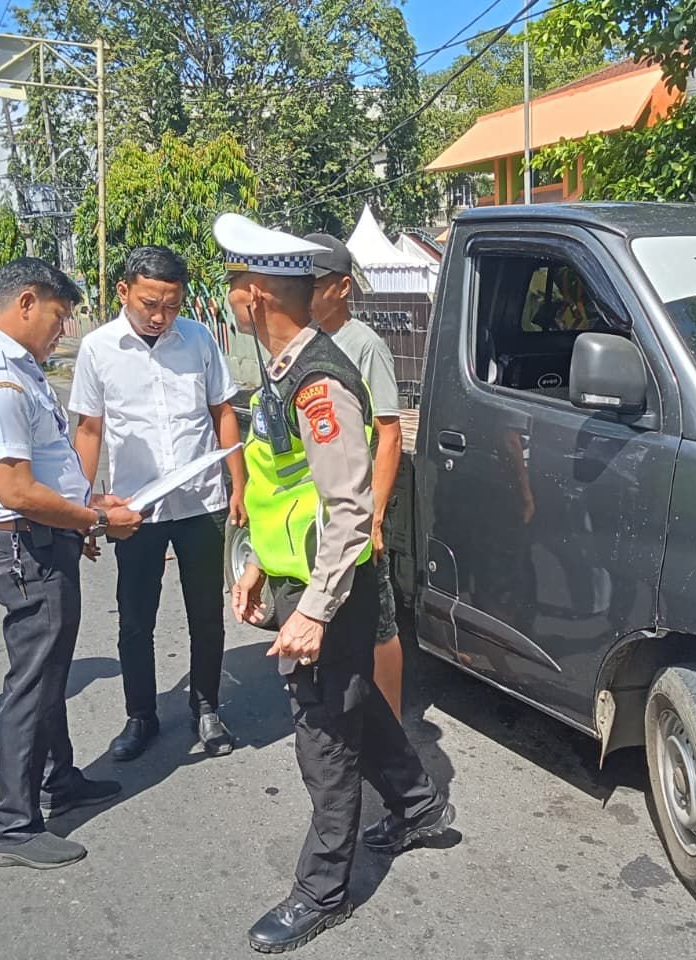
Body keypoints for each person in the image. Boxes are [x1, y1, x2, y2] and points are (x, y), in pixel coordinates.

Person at [216, 213, 454, 953]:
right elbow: (286, 491)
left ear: (256, 295)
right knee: (354, 707)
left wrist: (314, 612)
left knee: (324, 739)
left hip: (331, 589)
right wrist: (259, 561)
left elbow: (350, 511)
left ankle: (322, 892)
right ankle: (418, 809)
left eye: (232, 284)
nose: (228, 296)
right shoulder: (284, 372)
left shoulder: (318, 382)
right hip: (301, 577)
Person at [0, 258, 142, 870]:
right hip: (27, 542)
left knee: (50, 668)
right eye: (59, 317)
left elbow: (48, 467)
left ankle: (60, 776)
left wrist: (85, 505)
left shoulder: (16, 367)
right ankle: (14, 824)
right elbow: (15, 489)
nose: (64, 331)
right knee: (33, 680)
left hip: (45, 536)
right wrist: (97, 521)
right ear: (26, 302)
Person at [70, 246, 246, 761]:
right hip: (134, 510)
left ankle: (207, 708)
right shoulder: (98, 349)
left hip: (202, 502)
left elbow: (223, 411)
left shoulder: (197, 339)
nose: (160, 316)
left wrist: (239, 484)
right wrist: (86, 512)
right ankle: (140, 716)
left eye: (171, 305)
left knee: (206, 613)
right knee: (135, 617)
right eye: (150, 303)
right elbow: (89, 430)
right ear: (124, 292)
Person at [304, 233, 405, 719]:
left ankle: (390, 730)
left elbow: (390, 434)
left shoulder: (365, 346)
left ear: (342, 288)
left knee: (380, 623)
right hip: (316, 513)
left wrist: (376, 516)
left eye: (315, 283)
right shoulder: (304, 343)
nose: (304, 291)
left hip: (357, 511)